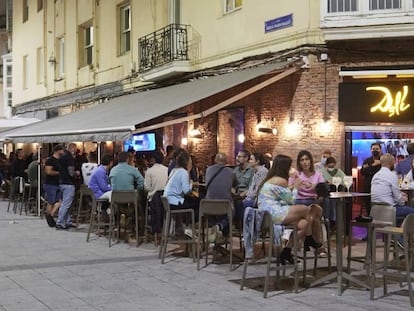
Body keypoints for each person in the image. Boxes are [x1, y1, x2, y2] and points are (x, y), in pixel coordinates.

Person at [258, 155, 323, 264]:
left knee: (303, 224)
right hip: (273, 213)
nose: (291, 169)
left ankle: (286, 252)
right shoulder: (281, 180)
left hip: (267, 213)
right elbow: (291, 200)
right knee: (305, 209)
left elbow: (282, 196)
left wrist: (292, 186)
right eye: (289, 166)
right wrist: (296, 186)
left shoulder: (273, 179)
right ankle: (309, 238)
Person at [371, 153, 414, 229]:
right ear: (391, 163)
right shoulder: (391, 175)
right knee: (411, 211)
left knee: (403, 212)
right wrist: (403, 199)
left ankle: (396, 237)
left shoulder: (375, 175)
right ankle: (401, 236)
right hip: (390, 210)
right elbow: (398, 199)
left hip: (375, 210)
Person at [163, 151, 200, 231]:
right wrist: (191, 183)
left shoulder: (174, 170)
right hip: (175, 202)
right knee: (200, 202)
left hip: (168, 201)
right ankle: (191, 226)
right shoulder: (183, 172)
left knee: (195, 200)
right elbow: (186, 191)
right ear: (187, 162)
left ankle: (184, 227)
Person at [204, 153, 234, 242]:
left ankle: (213, 228)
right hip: (225, 205)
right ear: (226, 162)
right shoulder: (231, 171)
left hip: (208, 205)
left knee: (211, 212)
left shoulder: (208, 170)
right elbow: (234, 184)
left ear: (215, 160)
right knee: (232, 211)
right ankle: (220, 227)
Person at [144, 150, 168, 234]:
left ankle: (147, 227)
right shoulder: (167, 170)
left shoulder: (149, 171)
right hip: (165, 200)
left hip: (153, 199)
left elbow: (146, 188)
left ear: (153, 159)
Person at [56, 143, 79, 230]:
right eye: (75, 149)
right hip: (68, 183)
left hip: (61, 182)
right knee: (66, 203)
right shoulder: (69, 158)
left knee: (66, 203)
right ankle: (60, 222)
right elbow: (71, 171)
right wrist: (75, 174)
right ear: (72, 148)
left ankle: (68, 221)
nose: (76, 150)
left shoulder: (62, 157)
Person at [320, 156, 346, 224]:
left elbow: (345, 180)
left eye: (333, 165)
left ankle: (333, 220)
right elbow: (320, 182)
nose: (331, 167)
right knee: (327, 201)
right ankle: (327, 219)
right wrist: (326, 182)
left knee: (334, 201)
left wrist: (336, 182)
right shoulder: (322, 171)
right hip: (326, 193)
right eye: (329, 165)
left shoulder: (339, 171)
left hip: (336, 192)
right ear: (326, 165)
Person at [44, 145, 64, 227]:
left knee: (60, 201)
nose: (63, 152)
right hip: (50, 183)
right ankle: (49, 216)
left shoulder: (60, 160)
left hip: (58, 183)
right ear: (57, 151)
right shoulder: (50, 160)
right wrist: (59, 173)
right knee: (51, 201)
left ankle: (50, 215)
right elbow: (48, 172)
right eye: (62, 150)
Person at [361, 142, 382, 215]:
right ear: (371, 150)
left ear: (380, 150)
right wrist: (373, 165)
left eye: (377, 149)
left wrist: (369, 168)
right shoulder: (367, 160)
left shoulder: (383, 160)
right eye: (373, 149)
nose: (375, 150)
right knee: (368, 207)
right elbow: (363, 172)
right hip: (368, 186)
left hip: (380, 186)